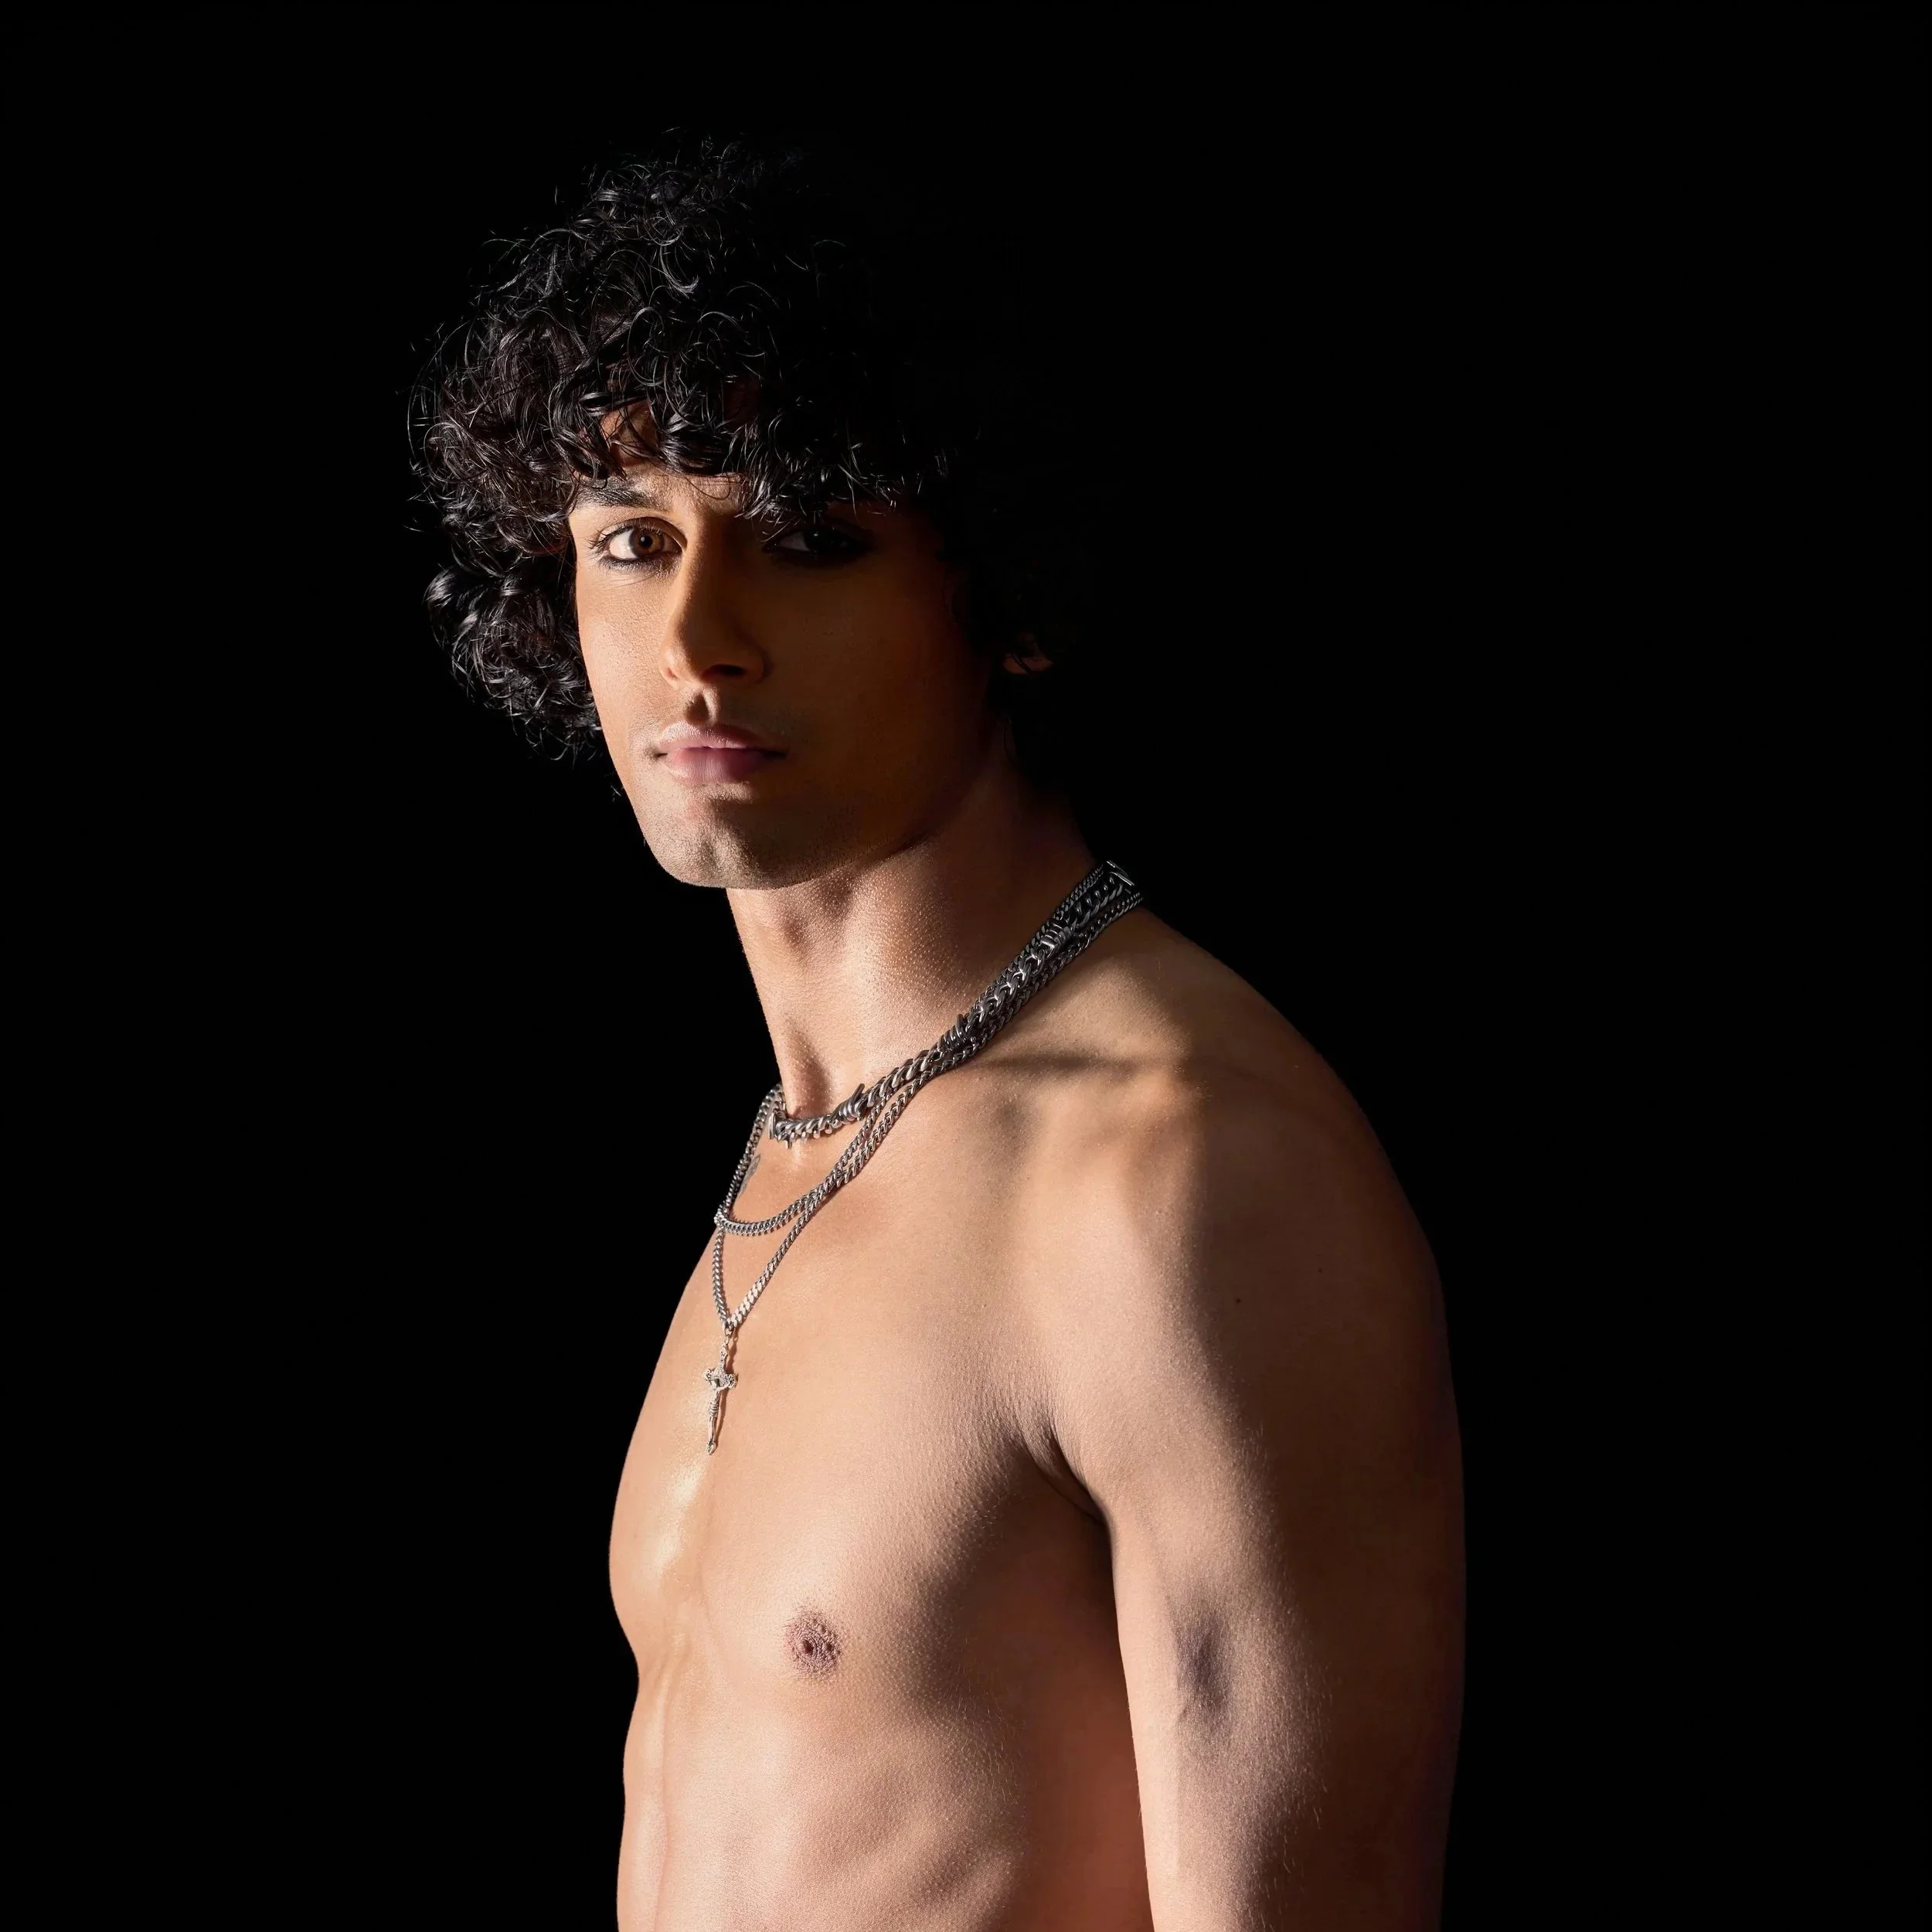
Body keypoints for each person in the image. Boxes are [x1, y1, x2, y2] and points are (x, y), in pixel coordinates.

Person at [418, 141, 1463, 1931]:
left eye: (807, 537)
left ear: (1006, 594)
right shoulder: (802, 1147)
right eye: (632, 540)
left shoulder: (1176, 1176)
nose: (697, 636)